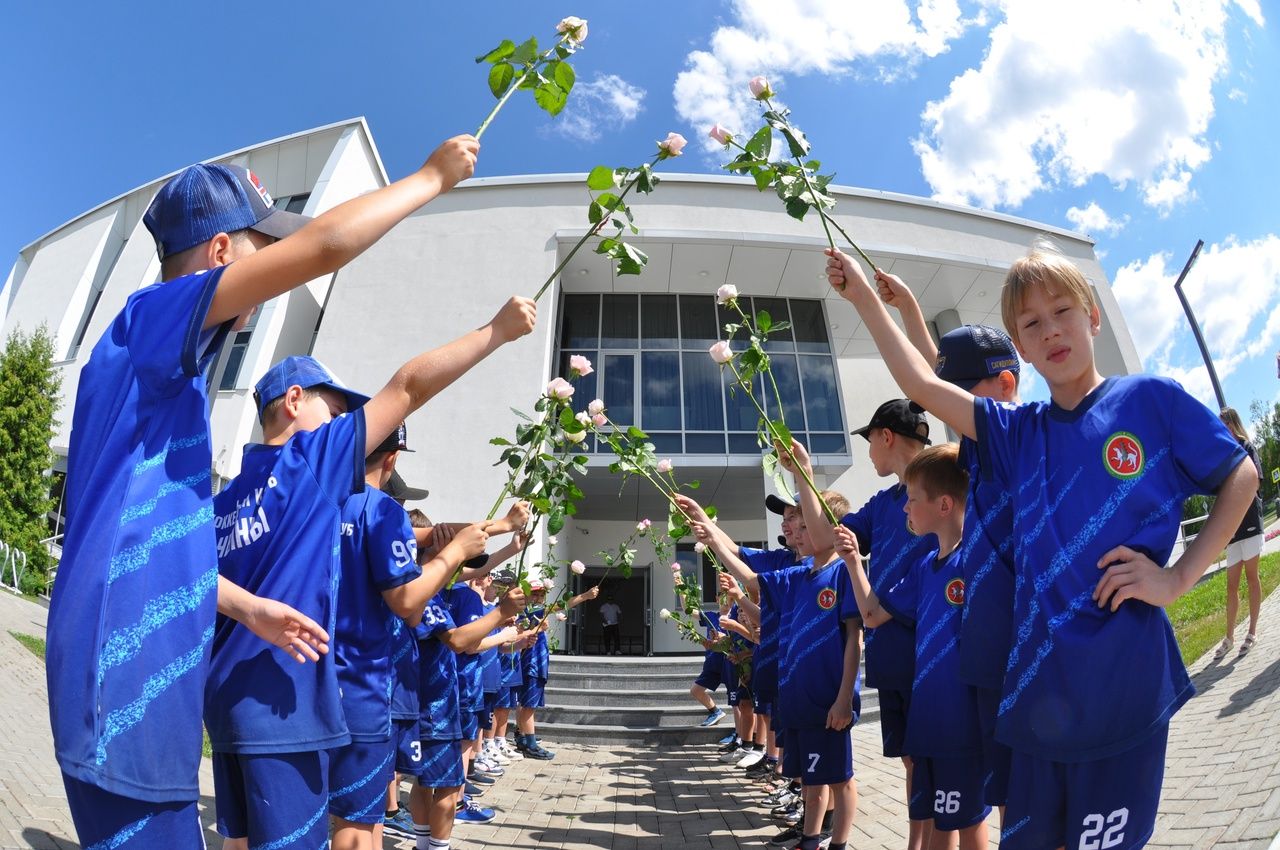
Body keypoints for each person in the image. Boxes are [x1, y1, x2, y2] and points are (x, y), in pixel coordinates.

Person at [44, 142, 494, 845]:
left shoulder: (170, 390)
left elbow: (163, 548)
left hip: (149, 685)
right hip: (123, 682)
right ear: (223, 251)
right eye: (262, 251)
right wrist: (431, 179)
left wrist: (250, 608)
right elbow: (324, 248)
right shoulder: (148, 321)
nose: (273, 277)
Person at [825, 241, 1258, 850]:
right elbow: (924, 382)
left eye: (1062, 312)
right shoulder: (1014, 433)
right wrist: (866, 300)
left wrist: (1178, 578)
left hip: (1121, 689)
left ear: (1093, 317)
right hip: (1031, 699)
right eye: (1031, 323)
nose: (1051, 331)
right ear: (1021, 348)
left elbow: (1240, 475)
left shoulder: (1151, 401)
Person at [208, 281, 535, 848]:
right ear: (293, 401)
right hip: (288, 707)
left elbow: (195, 582)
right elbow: (407, 388)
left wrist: (487, 535)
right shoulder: (307, 467)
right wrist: (496, 332)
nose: (345, 425)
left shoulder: (225, 502)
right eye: (334, 410)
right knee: (355, 833)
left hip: (228, 702)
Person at [875, 268, 1022, 819]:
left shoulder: (1013, 445)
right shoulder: (979, 456)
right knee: (1006, 801)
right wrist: (911, 307)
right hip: (986, 667)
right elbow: (939, 376)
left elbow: (928, 386)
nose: (950, 407)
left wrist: (870, 301)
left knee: (1023, 805)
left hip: (1023, 659)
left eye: (964, 393)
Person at [839, 444, 991, 849]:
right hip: (927, 722)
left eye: (912, 500)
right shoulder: (923, 568)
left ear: (943, 504)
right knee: (941, 820)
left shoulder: (979, 559)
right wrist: (854, 562)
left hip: (964, 724)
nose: (905, 509)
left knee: (968, 821)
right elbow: (870, 614)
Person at [838, 398, 938, 850]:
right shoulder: (885, 503)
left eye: (870, 443)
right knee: (915, 763)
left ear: (886, 436)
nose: (870, 455)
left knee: (939, 767)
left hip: (931, 655)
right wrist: (800, 473)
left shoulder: (944, 488)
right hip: (894, 657)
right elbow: (829, 532)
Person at [1214, 407, 1266, 660]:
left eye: (1222, 424)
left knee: (1251, 577)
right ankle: (1229, 637)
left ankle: (1252, 632)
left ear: (1232, 424)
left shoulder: (1247, 448)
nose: (1220, 430)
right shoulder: (1224, 455)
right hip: (1232, 531)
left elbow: (1255, 480)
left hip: (1251, 522)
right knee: (1231, 586)